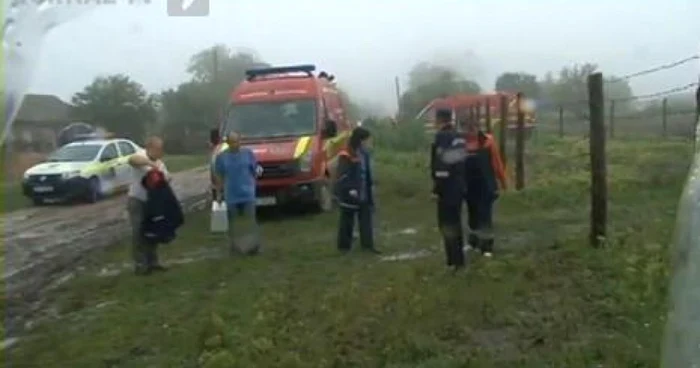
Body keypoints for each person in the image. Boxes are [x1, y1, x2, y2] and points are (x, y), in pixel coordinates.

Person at [462, 118, 507, 257]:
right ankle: (473, 243)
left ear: (477, 128)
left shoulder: (488, 141)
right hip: (469, 186)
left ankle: (487, 247)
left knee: (485, 216)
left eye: (473, 128)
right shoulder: (461, 144)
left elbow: (496, 162)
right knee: (472, 216)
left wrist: (502, 181)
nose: (470, 132)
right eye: (467, 129)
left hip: (486, 185)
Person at [213, 131, 262, 255]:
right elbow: (219, 176)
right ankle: (235, 247)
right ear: (228, 143)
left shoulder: (248, 154)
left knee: (250, 221)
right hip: (231, 195)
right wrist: (219, 193)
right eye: (232, 142)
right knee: (233, 223)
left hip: (248, 194)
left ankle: (253, 246)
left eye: (237, 141)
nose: (235, 144)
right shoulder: (222, 157)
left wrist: (255, 179)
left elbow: (255, 170)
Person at [431, 108, 467, 271]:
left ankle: (452, 261)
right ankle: (459, 259)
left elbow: (442, 165)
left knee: (446, 224)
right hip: (459, 185)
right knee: (456, 223)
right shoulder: (459, 136)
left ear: (439, 119)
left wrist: (437, 189)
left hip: (447, 188)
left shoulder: (442, 137)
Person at [127, 136, 170, 275]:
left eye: (161, 149)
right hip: (137, 200)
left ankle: (153, 262)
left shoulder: (161, 163)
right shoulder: (140, 155)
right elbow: (132, 160)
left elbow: (167, 178)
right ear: (150, 148)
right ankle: (140, 264)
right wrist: (150, 165)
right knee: (138, 231)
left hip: (152, 203)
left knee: (153, 231)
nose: (161, 152)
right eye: (158, 149)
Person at [335, 127, 381, 254]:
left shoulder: (365, 153)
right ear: (360, 140)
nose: (369, 142)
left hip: (364, 191)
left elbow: (366, 172)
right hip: (350, 193)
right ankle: (344, 247)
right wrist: (349, 188)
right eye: (367, 140)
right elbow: (342, 174)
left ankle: (368, 246)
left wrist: (371, 184)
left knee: (366, 220)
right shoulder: (346, 153)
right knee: (347, 220)